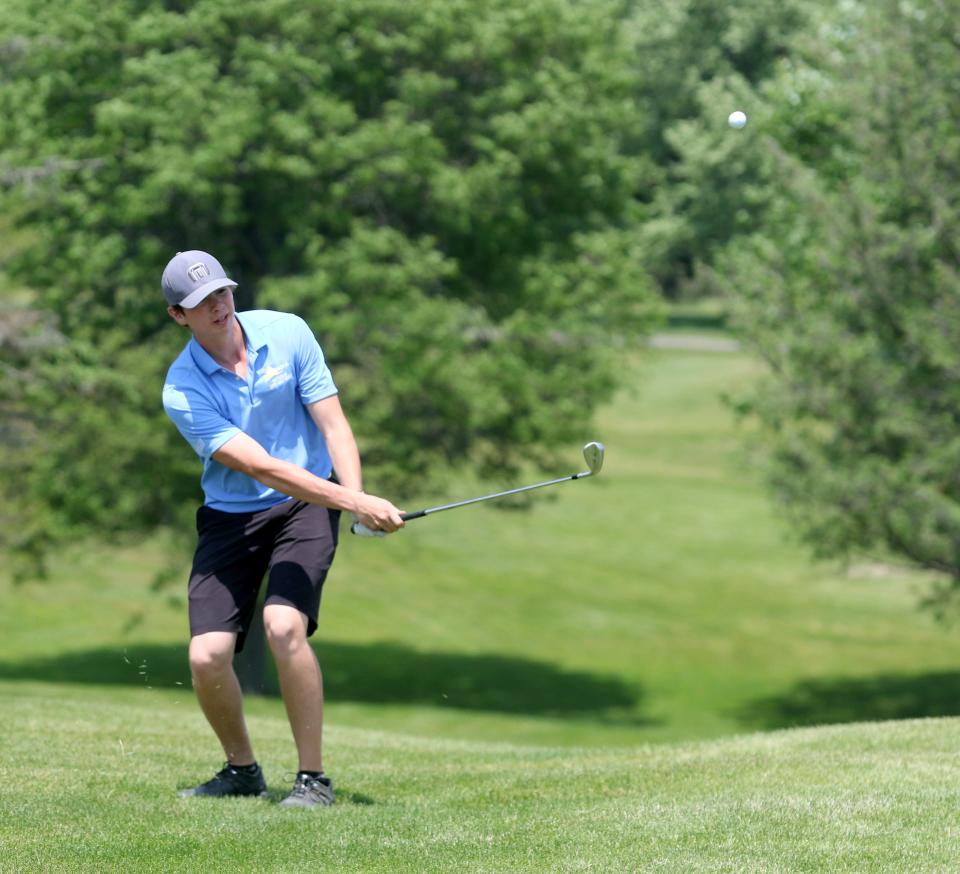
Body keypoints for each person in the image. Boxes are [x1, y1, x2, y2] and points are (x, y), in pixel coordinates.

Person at [160, 249, 404, 808]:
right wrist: (356, 501)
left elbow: (332, 420)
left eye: (221, 292)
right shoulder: (182, 390)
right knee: (205, 657)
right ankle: (242, 770)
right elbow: (262, 467)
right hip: (231, 516)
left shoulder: (288, 332)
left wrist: (356, 495)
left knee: (283, 626)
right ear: (179, 316)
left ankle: (312, 780)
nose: (218, 307)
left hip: (308, 505)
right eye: (201, 302)